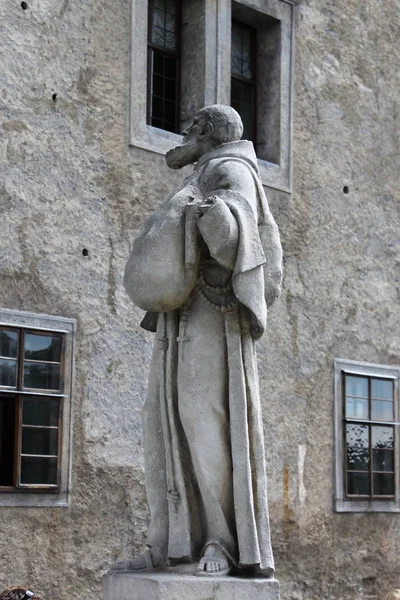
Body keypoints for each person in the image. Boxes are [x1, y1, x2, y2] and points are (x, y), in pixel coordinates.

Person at [120, 104, 283, 577]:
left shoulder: (231, 168)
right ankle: (172, 545)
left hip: (214, 316)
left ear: (208, 133)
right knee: (164, 424)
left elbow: (239, 239)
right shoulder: (207, 169)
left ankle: (222, 542)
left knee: (202, 423)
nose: (182, 136)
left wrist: (212, 216)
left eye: (190, 129)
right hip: (182, 319)